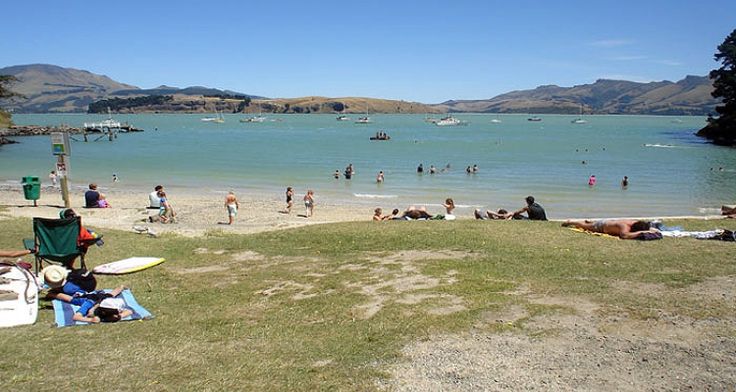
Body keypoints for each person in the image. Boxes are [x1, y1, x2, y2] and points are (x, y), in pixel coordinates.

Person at [562, 219, 660, 240]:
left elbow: (647, 227)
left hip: (607, 223)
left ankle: (589, 221)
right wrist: (643, 232)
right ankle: (571, 222)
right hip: (601, 227)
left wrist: (651, 230)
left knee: (588, 223)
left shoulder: (634, 222)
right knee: (584, 225)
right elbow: (624, 236)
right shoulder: (625, 227)